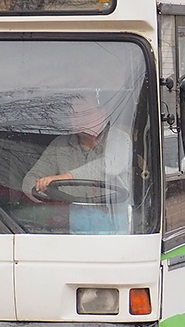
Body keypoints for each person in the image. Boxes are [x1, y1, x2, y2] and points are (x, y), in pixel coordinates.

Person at [22, 97, 131, 232]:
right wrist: (50, 196)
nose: (80, 119)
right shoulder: (60, 145)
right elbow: (30, 181)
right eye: (75, 114)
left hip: (114, 226)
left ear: (102, 114)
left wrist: (63, 178)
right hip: (67, 228)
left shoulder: (119, 138)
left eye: (86, 113)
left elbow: (109, 166)